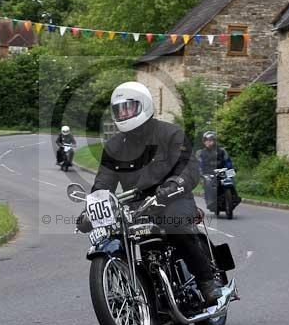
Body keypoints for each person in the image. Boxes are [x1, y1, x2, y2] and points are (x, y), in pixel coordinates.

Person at [82, 81, 222, 305]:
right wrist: (92, 207)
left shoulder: (170, 133)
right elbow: (103, 182)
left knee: (175, 225)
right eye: (119, 110)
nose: (124, 113)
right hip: (136, 208)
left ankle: (207, 281)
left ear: (143, 106)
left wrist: (175, 183)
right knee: (114, 235)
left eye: (129, 108)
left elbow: (188, 167)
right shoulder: (114, 148)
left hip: (172, 199)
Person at [197, 131, 235, 212]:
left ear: (214, 141)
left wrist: (230, 168)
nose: (208, 142)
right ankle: (210, 201)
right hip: (208, 174)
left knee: (231, 179)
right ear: (204, 142)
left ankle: (234, 198)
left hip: (222, 172)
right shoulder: (201, 153)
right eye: (206, 140)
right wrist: (200, 173)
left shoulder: (222, 151)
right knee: (207, 182)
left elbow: (228, 161)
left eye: (210, 140)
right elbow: (199, 164)